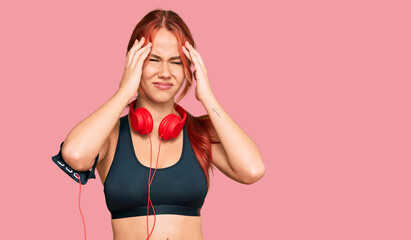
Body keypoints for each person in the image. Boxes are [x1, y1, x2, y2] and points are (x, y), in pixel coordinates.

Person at [57, 9, 265, 240]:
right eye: (153, 60)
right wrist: (125, 90)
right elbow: (74, 154)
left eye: (176, 62)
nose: (165, 73)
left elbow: (252, 170)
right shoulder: (111, 134)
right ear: (134, 63)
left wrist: (208, 99)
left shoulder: (202, 132)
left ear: (189, 68)